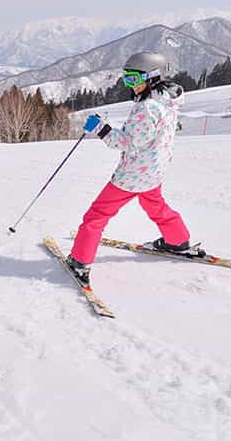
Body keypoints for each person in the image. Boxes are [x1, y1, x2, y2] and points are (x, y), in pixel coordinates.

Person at [68, 52, 192, 285]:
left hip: (133, 175)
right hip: (155, 170)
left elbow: (126, 142)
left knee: (96, 215)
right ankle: (178, 240)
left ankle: (80, 261)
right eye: (126, 79)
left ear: (152, 77)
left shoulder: (147, 108)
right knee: (155, 205)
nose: (130, 85)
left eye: (134, 79)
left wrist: (101, 129)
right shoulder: (167, 101)